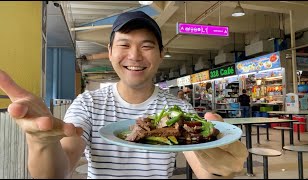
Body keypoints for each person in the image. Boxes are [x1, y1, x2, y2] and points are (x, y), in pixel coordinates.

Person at [0, 11, 247, 179]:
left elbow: (205, 172)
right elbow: (58, 170)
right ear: (109, 52)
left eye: (147, 46)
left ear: (161, 53)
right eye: (124, 44)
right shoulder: (88, 104)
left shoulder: (179, 110)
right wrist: (42, 143)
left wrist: (221, 163)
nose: (135, 56)